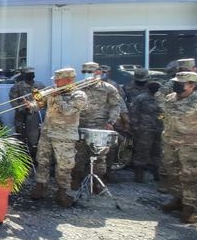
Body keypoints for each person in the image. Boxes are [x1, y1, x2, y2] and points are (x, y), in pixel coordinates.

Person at [159, 72, 197, 223]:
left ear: (192, 85)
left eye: (181, 83)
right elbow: (165, 117)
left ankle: (189, 209)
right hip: (170, 143)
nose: (176, 85)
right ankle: (178, 200)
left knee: (189, 177)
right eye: (176, 82)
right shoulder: (170, 98)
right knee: (172, 173)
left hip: (191, 147)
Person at [29, 68, 88, 207]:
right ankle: (40, 187)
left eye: (58, 79)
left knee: (64, 165)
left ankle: (62, 192)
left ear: (69, 80)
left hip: (64, 136)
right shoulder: (54, 92)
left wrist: (57, 96)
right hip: (47, 133)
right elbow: (40, 105)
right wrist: (31, 105)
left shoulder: (79, 95)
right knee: (42, 161)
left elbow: (67, 111)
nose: (55, 81)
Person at [73, 62, 121, 192]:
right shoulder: (76, 88)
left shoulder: (108, 88)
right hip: (80, 125)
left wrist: (111, 122)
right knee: (78, 154)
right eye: (85, 72)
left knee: (99, 156)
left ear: (98, 73)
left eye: (90, 72)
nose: (87, 75)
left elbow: (115, 106)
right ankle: (76, 179)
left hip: (100, 127)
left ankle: (96, 183)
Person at [129, 81, 163, 183]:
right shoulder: (141, 98)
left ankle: (158, 174)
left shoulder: (162, 99)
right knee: (142, 151)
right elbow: (134, 112)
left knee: (158, 152)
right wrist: (135, 127)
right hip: (144, 129)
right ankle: (139, 175)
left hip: (159, 128)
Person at [9, 67, 45, 158]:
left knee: (35, 137)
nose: (31, 75)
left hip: (35, 115)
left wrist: (36, 108)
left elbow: (44, 100)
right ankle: (22, 157)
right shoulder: (17, 86)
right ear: (24, 75)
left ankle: (34, 156)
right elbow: (13, 101)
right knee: (21, 136)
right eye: (28, 73)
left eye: (32, 73)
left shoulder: (40, 85)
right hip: (21, 115)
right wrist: (23, 108)